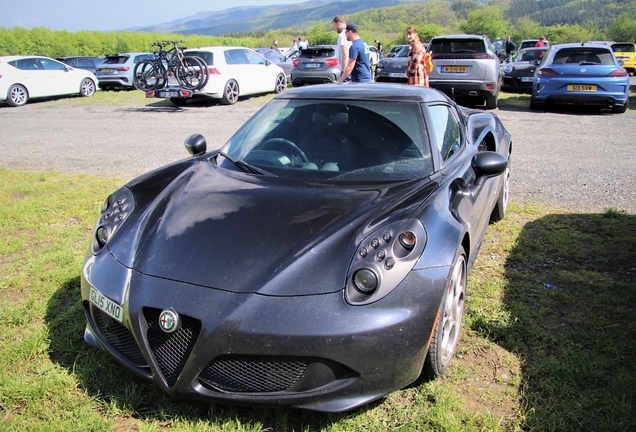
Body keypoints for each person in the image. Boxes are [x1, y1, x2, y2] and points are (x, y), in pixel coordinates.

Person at [332, 16, 351, 82]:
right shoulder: (348, 33)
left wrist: (343, 71)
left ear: (338, 23)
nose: (334, 29)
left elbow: (345, 54)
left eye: (334, 26)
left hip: (346, 70)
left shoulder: (342, 35)